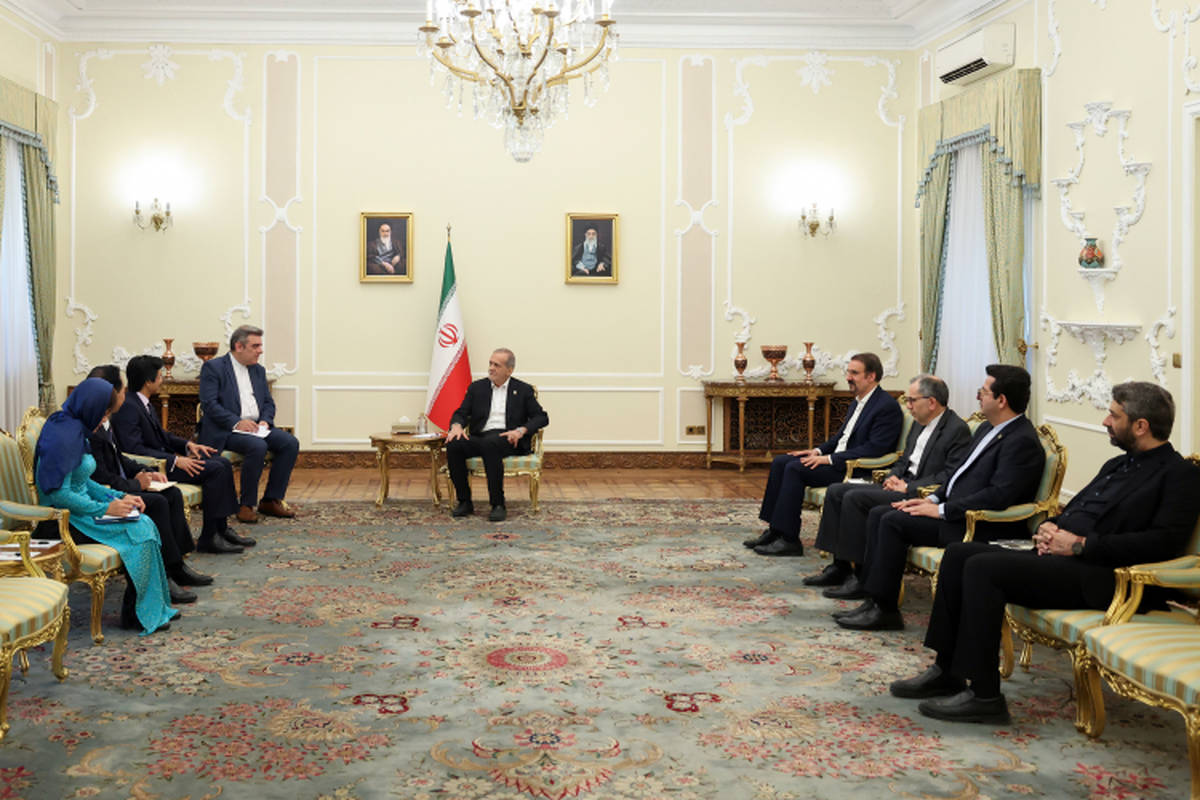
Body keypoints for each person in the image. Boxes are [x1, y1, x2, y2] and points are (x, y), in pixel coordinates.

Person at [890, 382, 1200, 725]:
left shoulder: (1180, 475)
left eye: (1114, 415)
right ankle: (946, 670)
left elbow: (1162, 543)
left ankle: (985, 696)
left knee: (982, 569)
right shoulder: (1116, 464)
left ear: (1141, 426)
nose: (1105, 421)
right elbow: (1075, 509)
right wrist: (1050, 526)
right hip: (1064, 559)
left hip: (1107, 577)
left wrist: (1080, 544)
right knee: (960, 554)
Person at [836, 364, 1045, 632]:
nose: (978, 396)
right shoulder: (986, 428)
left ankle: (885, 611)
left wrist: (943, 510)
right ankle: (874, 599)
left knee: (891, 521)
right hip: (955, 512)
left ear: (1001, 400)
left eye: (983, 392)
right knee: (880, 514)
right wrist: (932, 500)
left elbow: (998, 496)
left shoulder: (1021, 441)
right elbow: (957, 474)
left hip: (978, 524)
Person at [802, 374, 972, 598]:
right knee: (837, 490)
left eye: (912, 400)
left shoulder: (956, 429)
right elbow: (903, 460)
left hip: (918, 493)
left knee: (855, 498)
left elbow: (950, 474)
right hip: (900, 484)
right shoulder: (919, 424)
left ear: (931, 402)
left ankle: (861, 577)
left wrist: (909, 488)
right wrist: (892, 477)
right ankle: (840, 567)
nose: (908, 406)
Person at [34, 378, 179, 635]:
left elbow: (84, 481)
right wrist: (104, 509)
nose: (104, 420)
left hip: (82, 511)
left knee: (144, 522)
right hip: (61, 521)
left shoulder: (75, 428)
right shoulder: (63, 436)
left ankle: (144, 608)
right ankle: (137, 613)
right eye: (103, 413)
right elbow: (60, 494)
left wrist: (119, 496)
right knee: (140, 530)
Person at [746, 352, 904, 557]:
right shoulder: (858, 401)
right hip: (837, 460)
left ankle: (789, 540)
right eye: (848, 372)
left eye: (854, 373)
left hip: (856, 468)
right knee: (781, 461)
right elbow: (840, 438)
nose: (848, 377)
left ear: (871, 376)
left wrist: (828, 459)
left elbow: (875, 449)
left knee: (795, 469)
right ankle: (775, 529)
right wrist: (817, 451)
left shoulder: (886, 406)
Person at [86, 365, 213, 600]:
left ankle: (177, 566)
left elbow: (120, 458)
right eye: (122, 389)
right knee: (157, 502)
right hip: (108, 493)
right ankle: (164, 574)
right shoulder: (90, 429)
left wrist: (145, 471)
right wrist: (137, 486)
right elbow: (99, 477)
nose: (126, 393)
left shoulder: (104, 421)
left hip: (121, 484)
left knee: (172, 494)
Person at [112, 355, 249, 554]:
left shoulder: (143, 402)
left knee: (222, 462)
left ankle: (222, 528)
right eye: (160, 376)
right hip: (154, 467)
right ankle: (209, 538)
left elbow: (162, 436)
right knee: (216, 470)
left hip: (166, 460)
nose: (162, 380)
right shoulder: (129, 407)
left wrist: (188, 445)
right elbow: (134, 449)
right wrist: (175, 460)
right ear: (148, 381)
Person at [197, 325, 300, 524]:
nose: (260, 350)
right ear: (239, 346)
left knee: (290, 443)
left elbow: (268, 402)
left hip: (256, 428)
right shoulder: (214, 367)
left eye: (260, 345)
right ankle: (246, 505)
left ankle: (270, 500)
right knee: (257, 446)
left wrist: (265, 420)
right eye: (255, 346)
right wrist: (237, 422)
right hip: (225, 430)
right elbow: (209, 404)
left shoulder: (258, 370)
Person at [445, 348, 549, 522]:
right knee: (454, 444)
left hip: (508, 437)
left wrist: (520, 431)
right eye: (490, 363)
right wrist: (456, 426)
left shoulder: (523, 390)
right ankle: (464, 502)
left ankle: (498, 504)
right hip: (481, 436)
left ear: (509, 370)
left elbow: (541, 417)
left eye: (497, 365)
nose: (491, 368)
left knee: (491, 444)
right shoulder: (477, 388)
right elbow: (461, 413)